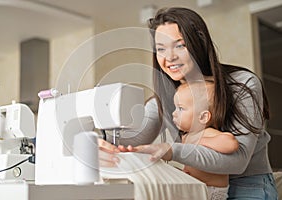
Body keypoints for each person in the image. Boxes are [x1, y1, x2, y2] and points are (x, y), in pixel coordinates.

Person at [99, 7, 278, 199]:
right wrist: (98, 139)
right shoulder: (167, 98)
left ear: (198, 44)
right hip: (201, 187)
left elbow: (238, 161)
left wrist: (171, 150)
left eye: (180, 45)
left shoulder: (242, 83)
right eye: (161, 48)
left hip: (248, 185)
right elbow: (134, 138)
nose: (169, 57)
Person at [173, 81, 238, 199]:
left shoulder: (207, 132)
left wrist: (199, 141)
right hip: (199, 189)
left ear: (203, 117)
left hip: (212, 191)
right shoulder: (187, 136)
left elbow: (231, 143)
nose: (174, 113)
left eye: (181, 109)